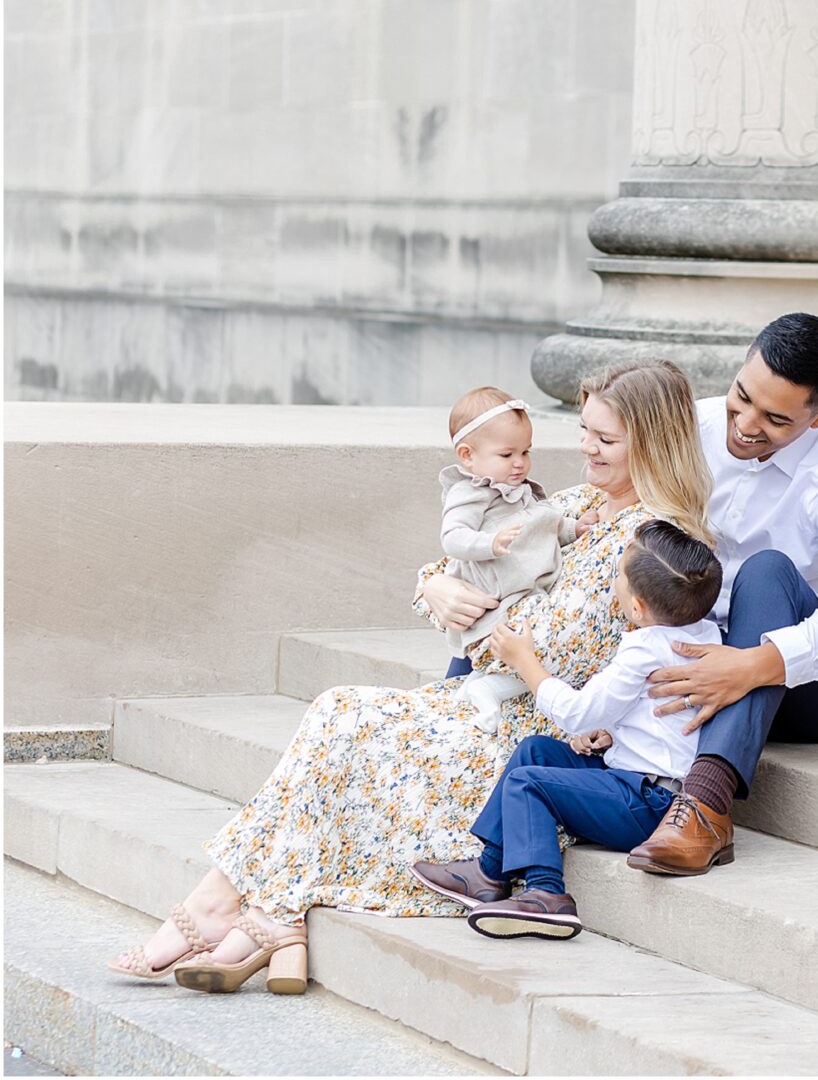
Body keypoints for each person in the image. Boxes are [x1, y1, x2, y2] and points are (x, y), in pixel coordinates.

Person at [106, 359, 713, 993]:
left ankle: (242, 912)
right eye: (584, 429)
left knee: (347, 718)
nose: (584, 447)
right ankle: (254, 915)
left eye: (604, 438)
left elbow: (559, 647)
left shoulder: (660, 546)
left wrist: (496, 620)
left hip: (544, 730)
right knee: (341, 712)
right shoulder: (574, 504)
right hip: (490, 701)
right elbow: (457, 564)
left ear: (652, 441)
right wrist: (440, 586)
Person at [628, 312, 818, 877]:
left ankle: (705, 806)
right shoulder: (689, 428)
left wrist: (756, 663)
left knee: (767, 571)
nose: (744, 424)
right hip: (701, 656)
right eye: (740, 397)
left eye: (775, 419)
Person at [411, 519, 722, 940]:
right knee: (535, 749)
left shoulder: (642, 650)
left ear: (638, 608)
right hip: (643, 782)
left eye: (618, 578)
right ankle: (489, 871)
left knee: (529, 782)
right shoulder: (705, 635)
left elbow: (576, 713)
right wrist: (614, 731)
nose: (614, 582)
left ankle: (545, 894)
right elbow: (648, 715)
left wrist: (525, 662)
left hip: (650, 804)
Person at [439, 386, 591, 732]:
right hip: (499, 598)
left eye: (526, 451)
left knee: (533, 654)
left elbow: (543, 526)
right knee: (527, 655)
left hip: (526, 593)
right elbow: (452, 537)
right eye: (507, 454)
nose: (520, 462)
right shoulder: (472, 492)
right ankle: (483, 686)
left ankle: (482, 687)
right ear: (467, 455)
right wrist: (489, 543)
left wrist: (574, 528)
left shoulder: (519, 490)